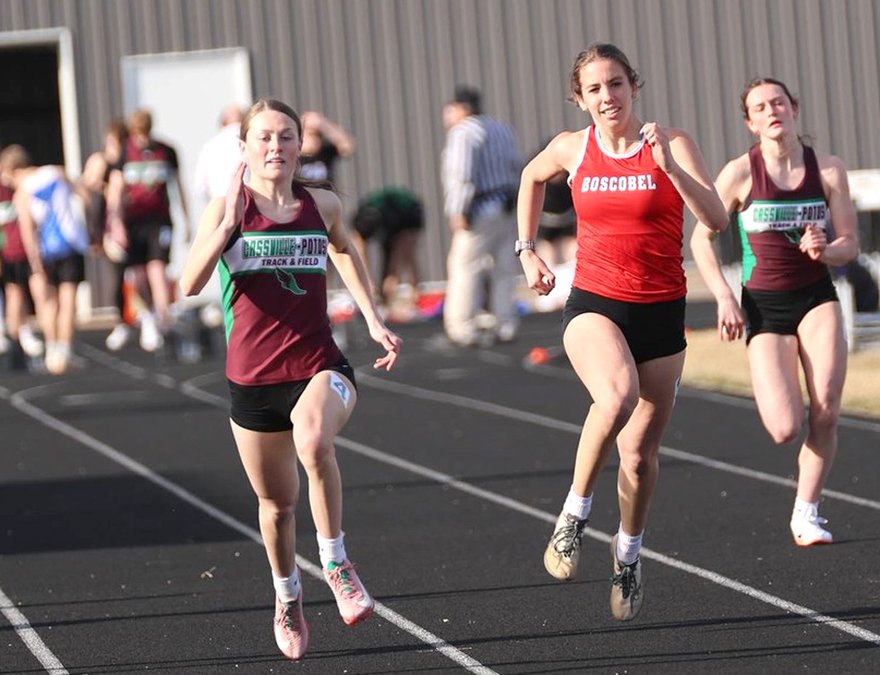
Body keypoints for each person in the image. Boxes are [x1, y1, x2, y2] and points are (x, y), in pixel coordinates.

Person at [179, 98, 401, 661]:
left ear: (300, 145)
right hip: (253, 381)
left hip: (318, 364)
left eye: (285, 137)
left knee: (314, 439)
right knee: (277, 506)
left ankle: (336, 562)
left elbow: (344, 250)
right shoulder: (227, 208)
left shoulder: (321, 204)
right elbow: (189, 283)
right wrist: (226, 226)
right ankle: (287, 596)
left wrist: (372, 318)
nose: (275, 146)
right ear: (244, 147)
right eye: (264, 137)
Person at [517, 43, 727, 621]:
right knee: (615, 396)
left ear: (634, 86)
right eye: (594, 89)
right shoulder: (573, 147)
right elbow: (532, 177)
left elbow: (716, 220)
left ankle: (628, 554)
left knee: (638, 456)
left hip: (661, 312)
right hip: (595, 302)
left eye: (615, 84)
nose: (607, 97)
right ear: (580, 99)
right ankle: (573, 514)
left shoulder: (672, 142)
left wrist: (670, 168)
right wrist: (526, 249)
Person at [689, 77, 859, 546]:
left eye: (778, 103)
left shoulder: (828, 169)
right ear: (750, 122)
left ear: (793, 108)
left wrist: (826, 249)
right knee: (785, 428)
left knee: (826, 409)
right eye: (760, 107)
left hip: (817, 296)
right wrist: (724, 297)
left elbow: (849, 244)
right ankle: (804, 496)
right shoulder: (740, 172)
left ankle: (807, 512)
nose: (771, 111)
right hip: (764, 305)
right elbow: (700, 239)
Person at [441, 84, 523, 346]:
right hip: (506, 204)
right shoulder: (501, 128)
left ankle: (462, 327)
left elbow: (462, 174)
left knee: (465, 266)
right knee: (503, 268)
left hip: (480, 208)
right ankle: (505, 323)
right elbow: (516, 165)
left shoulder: (463, 132)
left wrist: (458, 210)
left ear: (462, 108)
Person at [106, 108, 189, 352]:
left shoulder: (166, 151)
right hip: (133, 222)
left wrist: (187, 220)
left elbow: (178, 186)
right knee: (139, 275)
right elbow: (115, 191)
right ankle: (150, 316)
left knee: (158, 270)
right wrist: (116, 224)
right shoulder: (125, 152)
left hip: (159, 220)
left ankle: (164, 321)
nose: (142, 139)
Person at [4, 145, 91, 375]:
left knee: (49, 302)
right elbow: (85, 196)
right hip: (71, 242)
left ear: (15, 170)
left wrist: (34, 260)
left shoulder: (23, 191)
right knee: (68, 299)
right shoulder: (56, 172)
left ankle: (53, 350)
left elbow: (27, 229)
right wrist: (91, 228)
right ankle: (65, 349)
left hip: (47, 249)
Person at [78, 119, 138, 351]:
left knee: (138, 272)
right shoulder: (102, 162)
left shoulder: (128, 161)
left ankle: (144, 317)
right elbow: (85, 186)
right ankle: (123, 320)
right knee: (118, 273)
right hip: (109, 226)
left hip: (132, 223)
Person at [1, 148, 44, 368]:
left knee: (31, 293)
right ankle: (16, 341)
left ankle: (26, 335)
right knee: (14, 294)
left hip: (27, 249)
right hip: (10, 251)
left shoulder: (27, 187)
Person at [351, 186, 423, 310]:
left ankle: (415, 295)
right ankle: (381, 295)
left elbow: (399, 251)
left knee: (407, 255)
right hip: (387, 215)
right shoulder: (361, 220)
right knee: (380, 274)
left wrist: (393, 277)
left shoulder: (394, 219)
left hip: (410, 212)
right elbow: (358, 249)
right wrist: (368, 283)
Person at [297, 110, 355, 184]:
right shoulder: (293, 156)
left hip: (324, 191)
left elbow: (347, 146)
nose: (315, 140)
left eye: (318, 135)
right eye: (311, 135)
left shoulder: (325, 152)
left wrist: (324, 125)